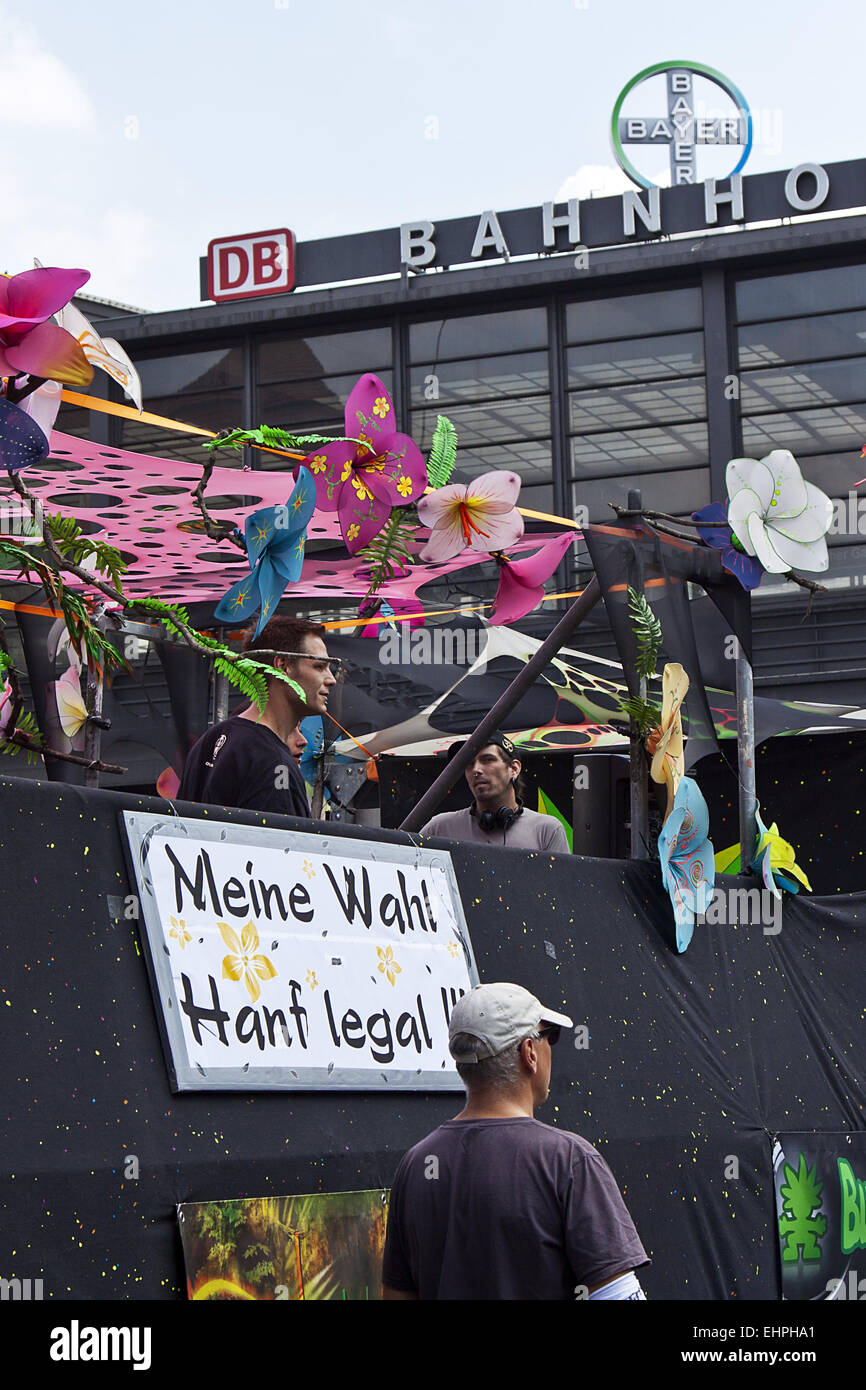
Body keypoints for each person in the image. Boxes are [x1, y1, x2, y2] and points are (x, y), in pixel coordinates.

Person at [382, 981, 650, 1301]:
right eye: (549, 1036)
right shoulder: (569, 1161)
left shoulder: (415, 1166)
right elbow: (617, 1295)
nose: (552, 1047)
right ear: (529, 1053)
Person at [178, 616, 336, 818]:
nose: (330, 679)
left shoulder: (211, 740)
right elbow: (281, 846)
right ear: (283, 665)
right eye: (319, 666)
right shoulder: (272, 760)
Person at [418, 731, 570, 852]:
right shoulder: (439, 828)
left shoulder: (547, 830)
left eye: (487, 760)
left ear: (514, 769)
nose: (476, 770)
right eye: (469, 763)